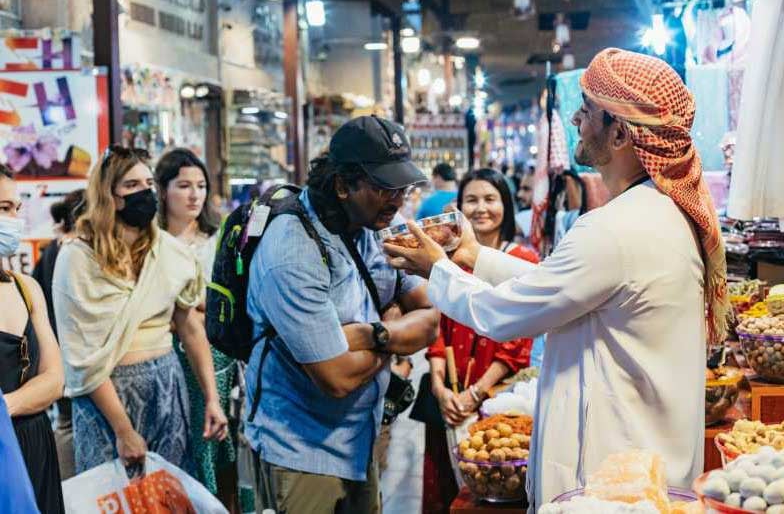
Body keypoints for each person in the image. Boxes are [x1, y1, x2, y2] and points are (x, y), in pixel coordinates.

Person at [385, 48, 728, 510]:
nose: (574, 119)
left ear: (621, 134)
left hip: (611, 481)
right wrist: (473, 256)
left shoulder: (614, 229)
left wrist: (437, 269)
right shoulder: (654, 214)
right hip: (642, 465)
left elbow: (502, 314)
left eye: (586, 111)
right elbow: (558, 286)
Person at [245, 115, 440, 514]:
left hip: (361, 440)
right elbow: (335, 377)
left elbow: (431, 316)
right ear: (342, 185)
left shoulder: (377, 226)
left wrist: (371, 335)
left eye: (402, 187)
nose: (398, 199)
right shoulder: (293, 253)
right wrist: (396, 327)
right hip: (302, 450)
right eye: (385, 187)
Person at [53, 146, 228, 474]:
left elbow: (189, 326)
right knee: (115, 498)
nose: (145, 192)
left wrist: (211, 398)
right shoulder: (79, 259)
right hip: (108, 401)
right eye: (132, 185)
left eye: (148, 183)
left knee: (169, 497)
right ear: (109, 195)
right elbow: (83, 355)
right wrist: (123, 429)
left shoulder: (168, 252)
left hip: (166, 388)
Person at [423, 168, 539, 514]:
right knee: (445, 489)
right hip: (448, 398)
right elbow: (437, 324)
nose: (481, 208)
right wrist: (440, 387)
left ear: (506, 203)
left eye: (490, 199)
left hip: (497, 398)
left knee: (489, 483)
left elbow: (518, 341)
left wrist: (475, 394)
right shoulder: (445, 259)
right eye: (471, 200)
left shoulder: (522, 260)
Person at [155, 148, 251, 513]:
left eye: (200, 186)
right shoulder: (151, 240)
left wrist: (193, 304)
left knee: (217, 446)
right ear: (163, 191)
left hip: (215, 353)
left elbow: (232, 298)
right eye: (184, 186)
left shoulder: (219, 238)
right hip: (164, 355)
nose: (194, 194)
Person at [0, 163, 65, 512]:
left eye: (16, 208)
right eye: (3, 209)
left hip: (34, 442)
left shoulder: (27, 288)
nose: (13, 220)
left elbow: (54, 380)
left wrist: (4, 407)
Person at [32, 188, 85, 480]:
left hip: (59, 356)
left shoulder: (55, 248)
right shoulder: (70, 251)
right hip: (69, 357)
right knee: (68, 427)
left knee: (66, 425)